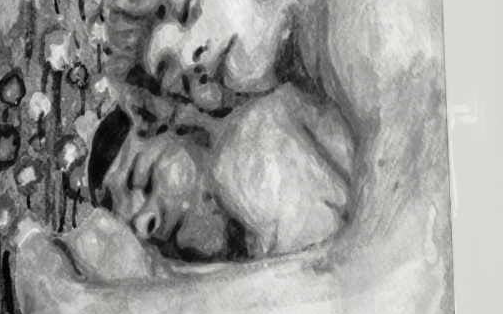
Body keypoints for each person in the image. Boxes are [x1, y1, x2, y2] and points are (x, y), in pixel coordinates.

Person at [14, 0, 453, 314]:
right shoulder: (316, 118)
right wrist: (153, 278)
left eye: (180, 6)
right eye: (172, 79)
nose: (180, 52)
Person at [87, 82, 355, 263]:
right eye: (133, 231)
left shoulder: (251, 146)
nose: (147, 226)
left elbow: (320, 281)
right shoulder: (246, 236)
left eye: (146, 182)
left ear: (178, 126)